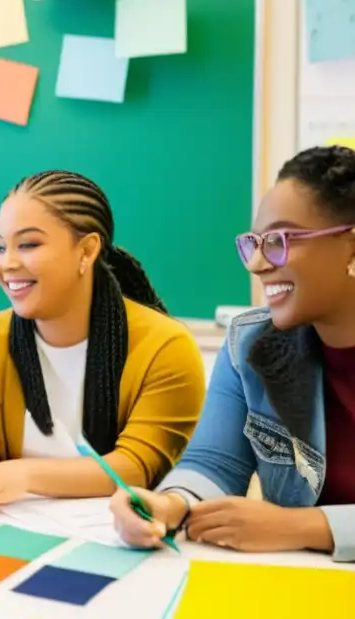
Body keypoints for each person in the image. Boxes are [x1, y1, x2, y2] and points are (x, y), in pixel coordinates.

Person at [0, 170, 207, 514]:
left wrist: (26, 476)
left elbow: (136, 466)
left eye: (29, 245)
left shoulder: (165, 347)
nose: (7, 264)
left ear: (87, 250)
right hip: (9, 536)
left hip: (126, 538)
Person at [111, 146, 355, 563]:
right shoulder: (249, 344)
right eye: (253, 243)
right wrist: (171, 504)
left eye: (279, 240)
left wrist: (304, 527)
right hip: (307, 591)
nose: (257, 263)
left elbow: (290, 527)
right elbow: (214, 463)